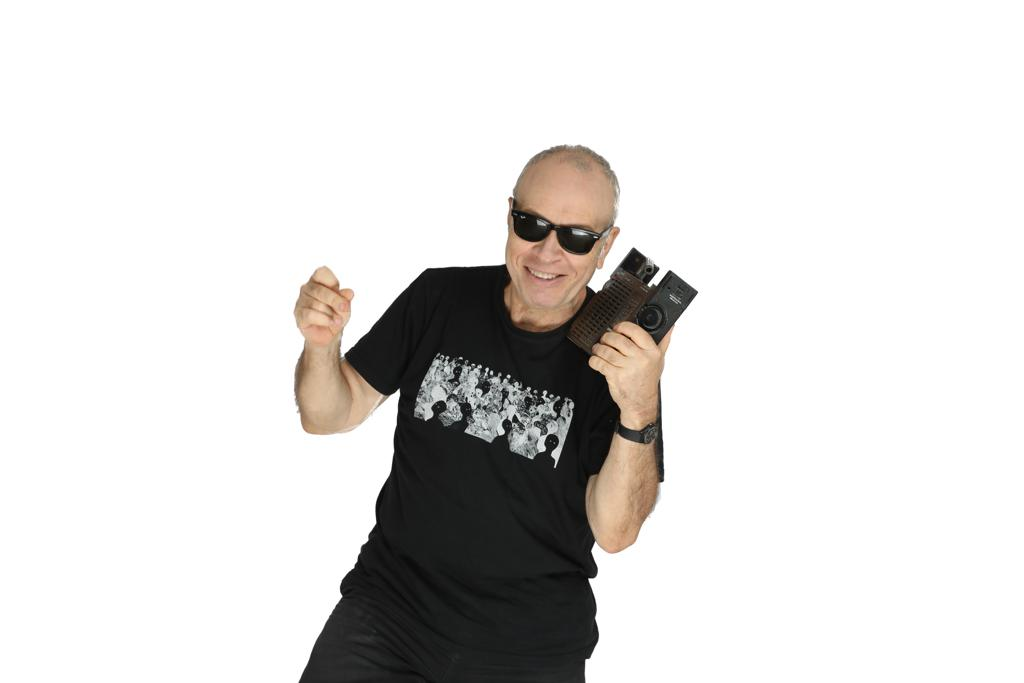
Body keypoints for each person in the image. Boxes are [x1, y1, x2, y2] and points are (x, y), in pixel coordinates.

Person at [292, 144, 673, 683]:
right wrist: (321, 345)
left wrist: (638, 405)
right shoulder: (440, 296)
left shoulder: (620, 361)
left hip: (529, 651)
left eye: (576, 237)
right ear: (509, 216)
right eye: (531, 225)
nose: (548, 253)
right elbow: (327, 414)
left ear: (605, 246)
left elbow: (615, 532)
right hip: (388, 617)